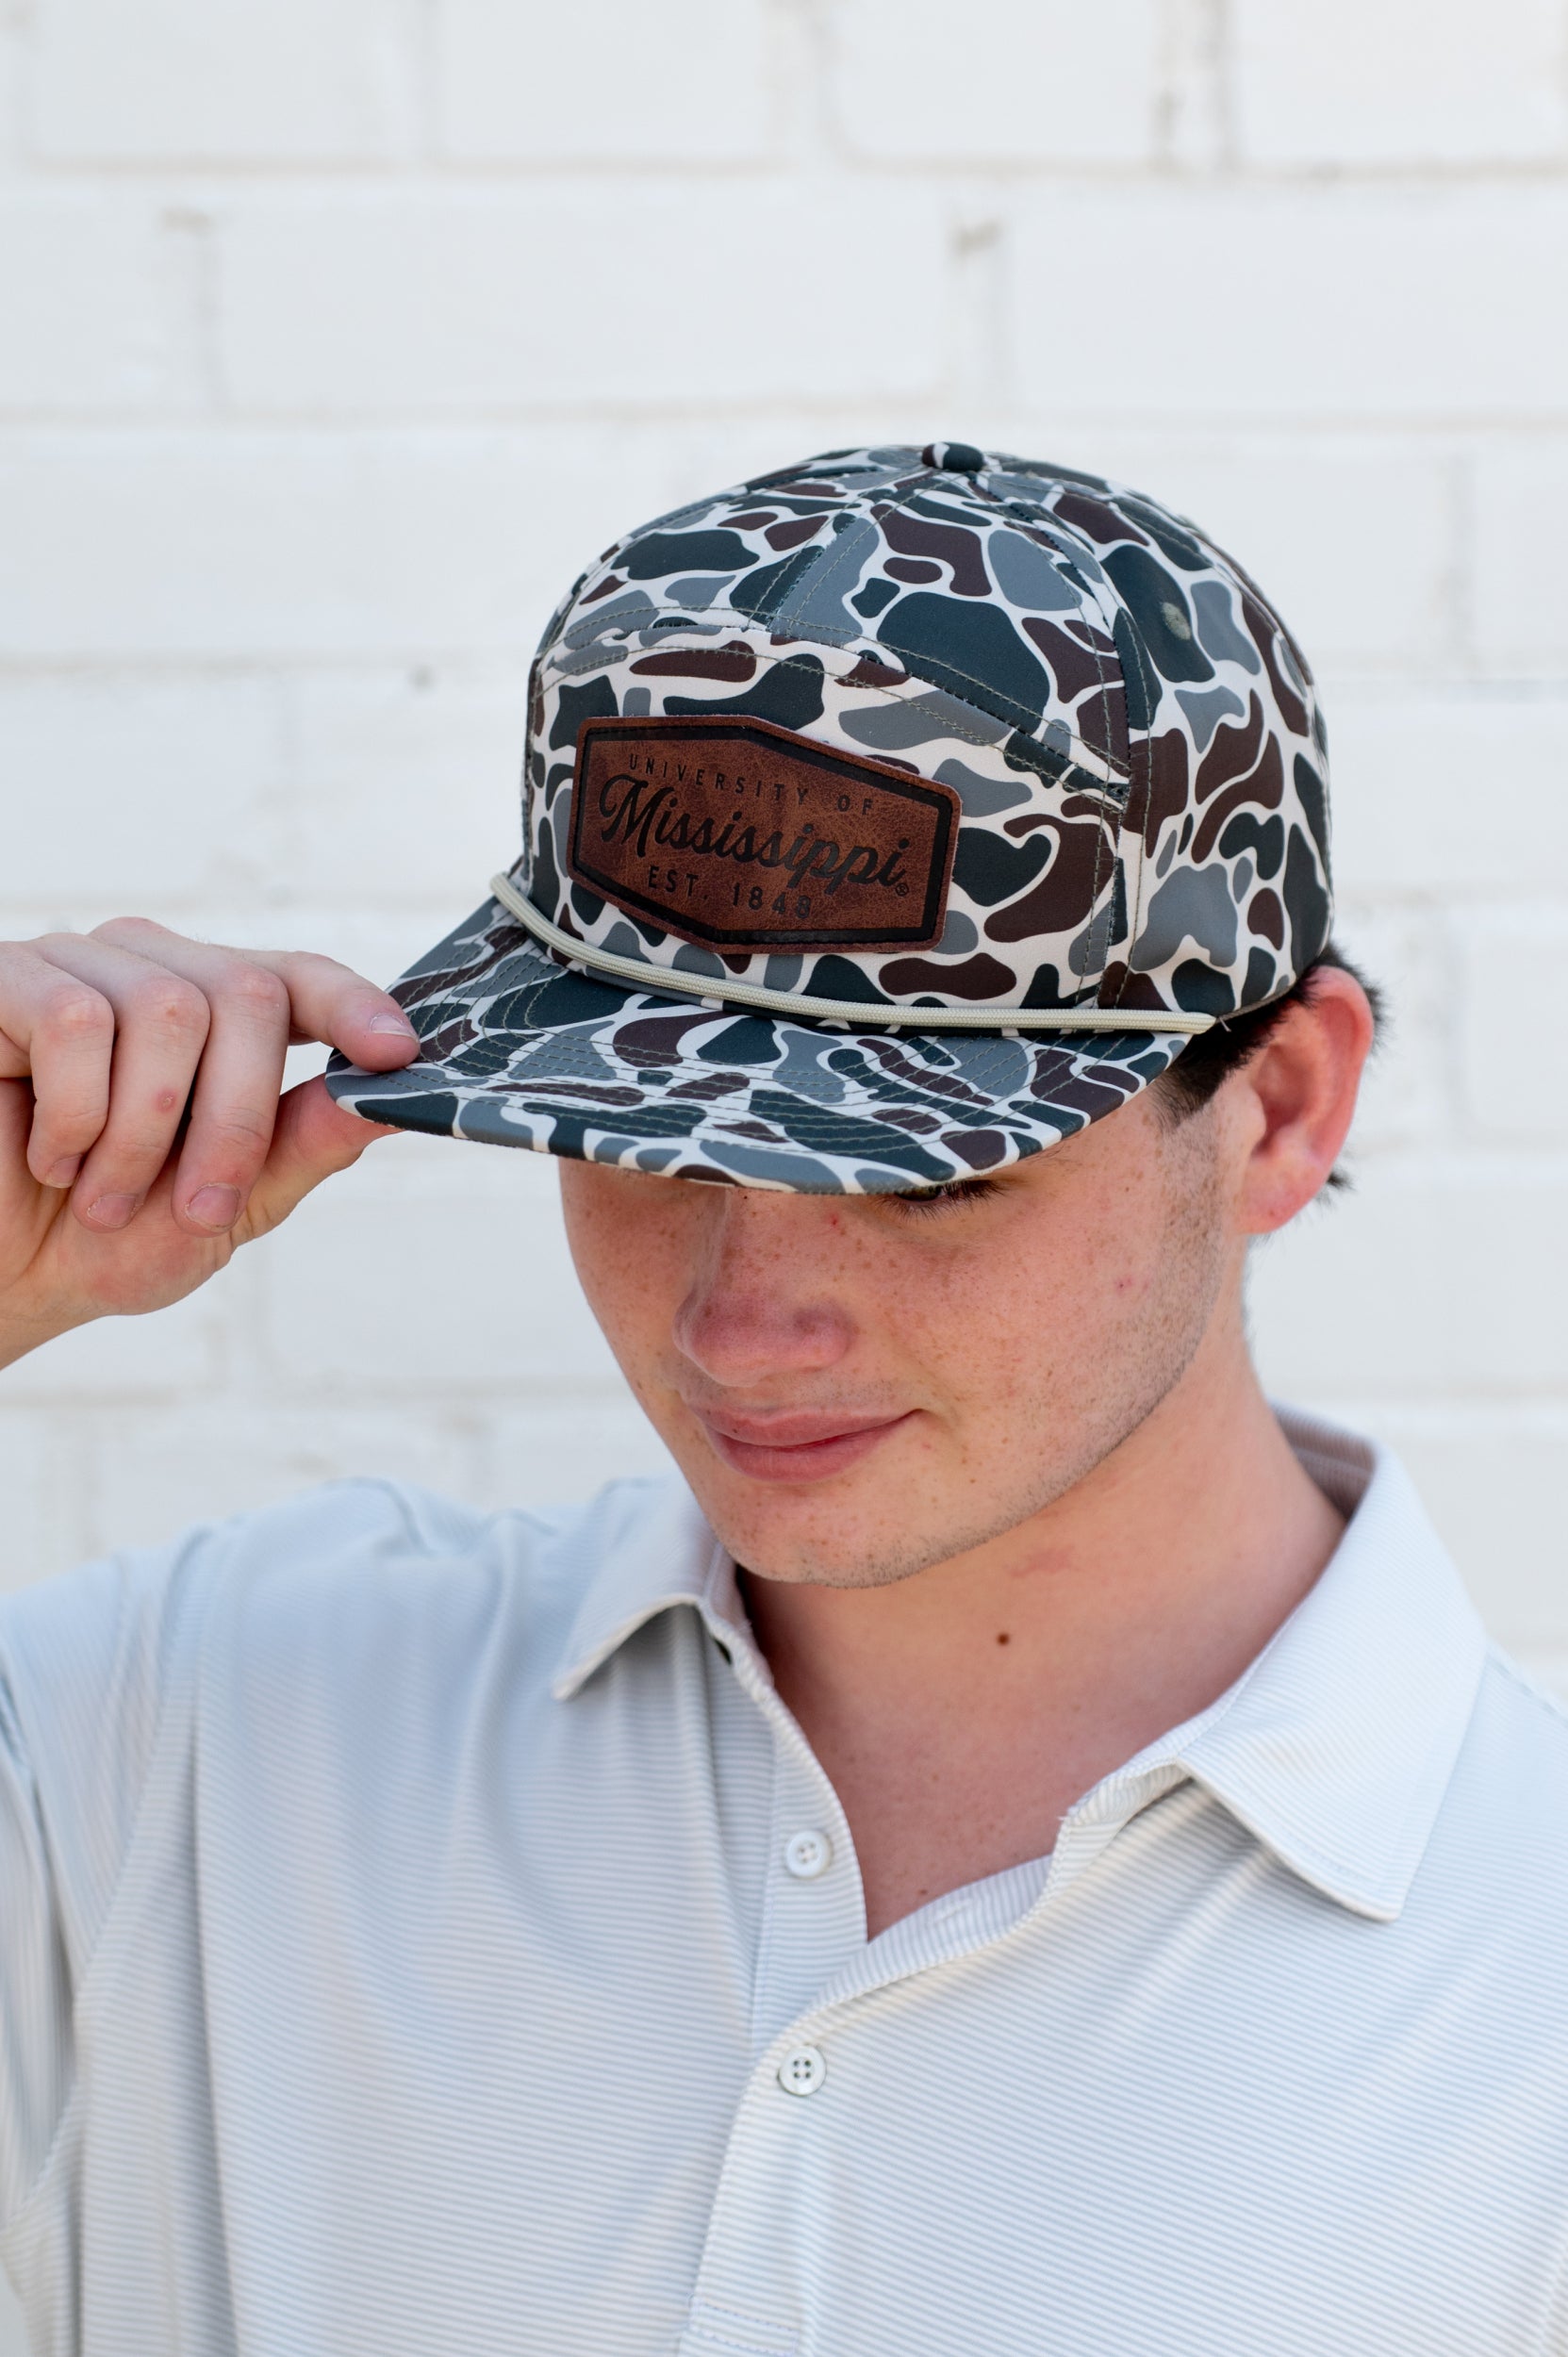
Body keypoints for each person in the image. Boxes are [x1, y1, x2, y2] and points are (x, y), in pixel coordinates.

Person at [0, 443, 1562, 2355]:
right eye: (635, 1137)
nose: (741, 1324)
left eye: (924, 1179)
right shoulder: (199, 1739)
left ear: (1282, 1108)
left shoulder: (1522, 1997)